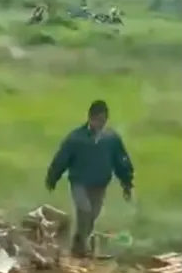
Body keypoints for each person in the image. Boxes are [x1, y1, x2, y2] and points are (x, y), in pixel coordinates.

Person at [45, 100, 134, 257]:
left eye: (103, 120)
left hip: (100, 185)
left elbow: (121, 162)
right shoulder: (76, 138)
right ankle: (83, 246)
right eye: (97, 120)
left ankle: (78, 244)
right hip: (79, 183)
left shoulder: (111, 139)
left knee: (93, 215)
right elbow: (61, 159)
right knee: (84, 211)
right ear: (90, 118)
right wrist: (52, 177)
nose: (99, 124)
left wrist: (126, 183)